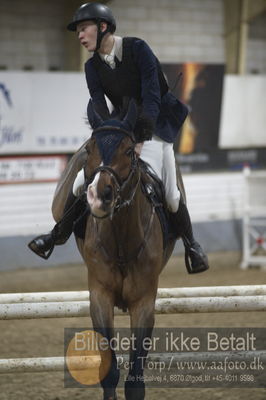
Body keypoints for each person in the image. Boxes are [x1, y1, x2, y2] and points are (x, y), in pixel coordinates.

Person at [28, 2, 209, 274]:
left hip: (156, 126)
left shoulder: (138, 49)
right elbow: (100, 108)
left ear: (103, 28)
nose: (79, 35)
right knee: (81, 182)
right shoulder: (92, 67)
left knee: (171, 195)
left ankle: (192, 246)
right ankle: (56, 237)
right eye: (77, 30)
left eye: (83, 28)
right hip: (123, 127)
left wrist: (141, 137)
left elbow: (151, 98)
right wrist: (107, 137)